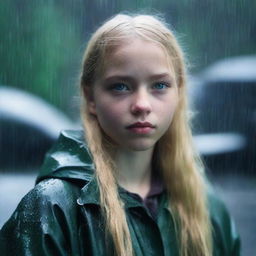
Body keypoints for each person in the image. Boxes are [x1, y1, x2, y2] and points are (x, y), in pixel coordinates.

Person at [0, 14, 240, 256]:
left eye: (159, 85)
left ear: (179, 92)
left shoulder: (205, 205)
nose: (142, 104)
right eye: (120, 86)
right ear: (90, 97)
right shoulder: (52, 209)